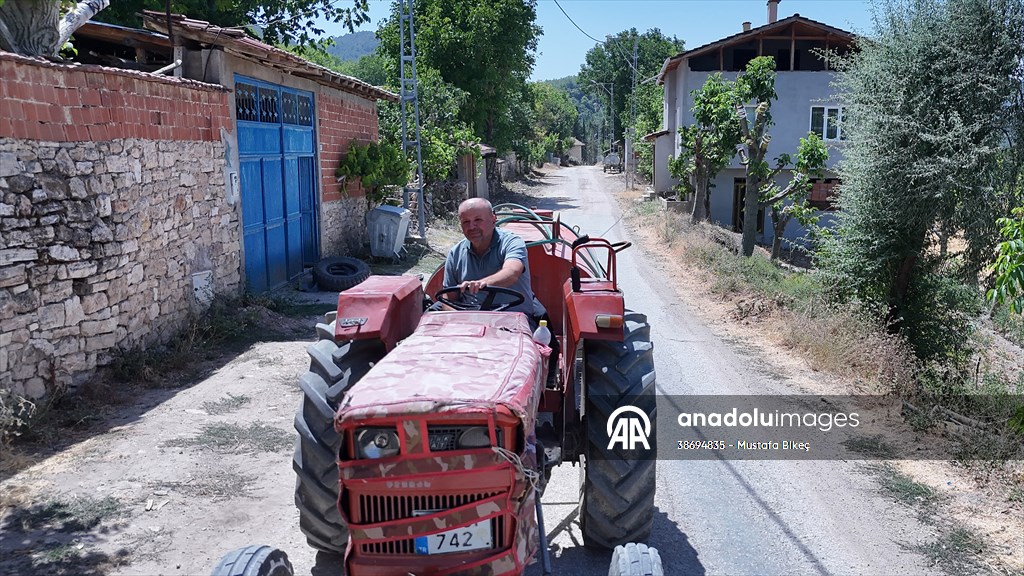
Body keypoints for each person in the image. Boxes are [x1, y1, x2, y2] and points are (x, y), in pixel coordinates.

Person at [442, 198, 545, 321]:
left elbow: (512, 272)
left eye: (478, 220)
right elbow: (448, 298)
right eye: (466, 222)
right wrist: (458, 321)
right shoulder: (455, 253)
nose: (471, 227)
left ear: (493, 219)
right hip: (470, 322)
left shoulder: (512, 243)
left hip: (512, 320)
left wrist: (482, 284)